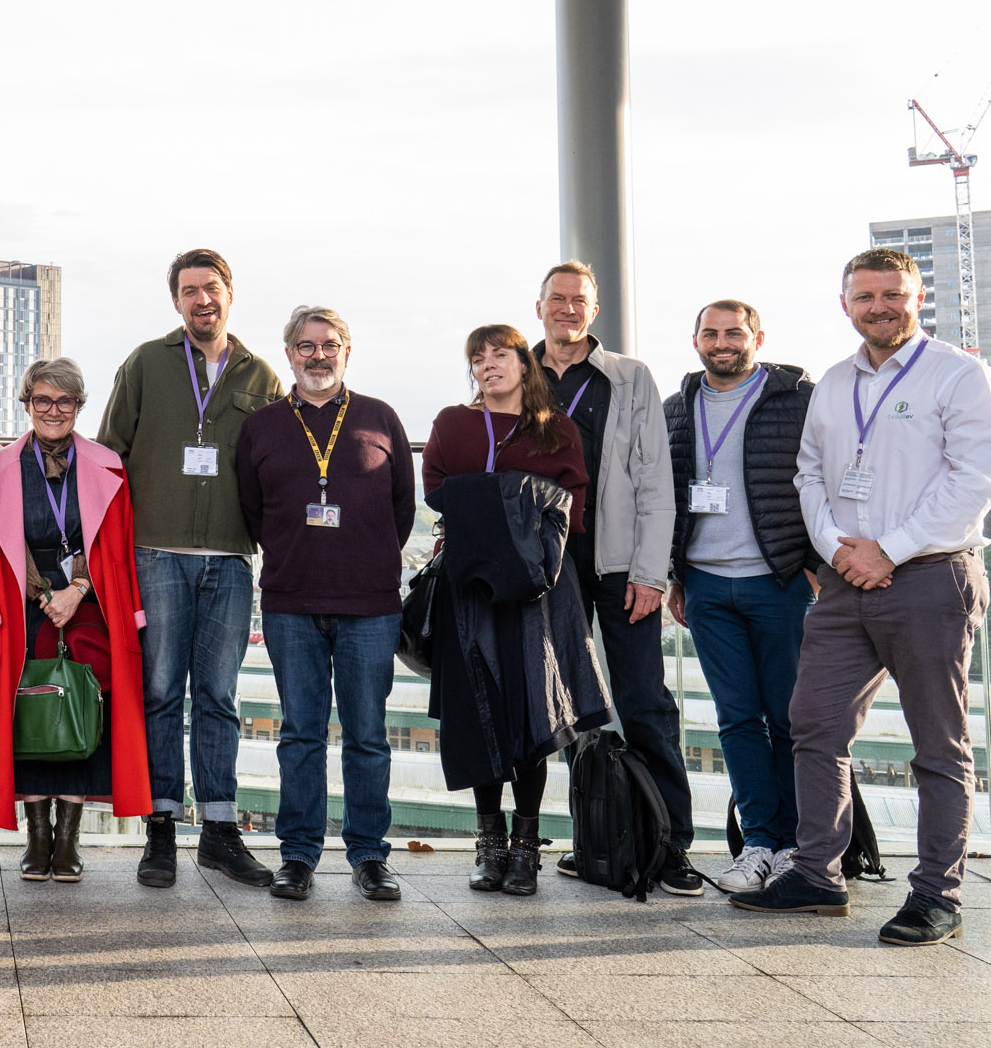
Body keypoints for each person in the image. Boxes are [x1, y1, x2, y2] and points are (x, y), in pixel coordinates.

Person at [733, 248, 991, 946]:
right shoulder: (833, 383)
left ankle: (936, 895)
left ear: (916, 297)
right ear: (846, 303)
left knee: (937, 744)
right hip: (843, 581)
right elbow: (809, 475)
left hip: (930, 577)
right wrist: (838, 551)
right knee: (814, 724)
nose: (880, 305)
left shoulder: (962, 374)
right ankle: (818, 873)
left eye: (893, 293)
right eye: (866, 295)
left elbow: (976, 480)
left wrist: (889, 548)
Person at [98, 248, 284, 889]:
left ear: (230, 293)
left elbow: (276, 473)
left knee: (220, 699)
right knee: (158, 695)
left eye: (211, 288)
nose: (201, 300)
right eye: (188, 291)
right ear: (175, 301)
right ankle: (159, 834)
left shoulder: (260, 376)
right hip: (156, 554)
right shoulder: (146, 363)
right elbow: (108, 456)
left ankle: (221, 835)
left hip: (231, 560)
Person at [422, 325, 611, 897]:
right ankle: (490, 844)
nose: (489, 366)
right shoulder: (453, 422)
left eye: (500, 355)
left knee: (534, 712)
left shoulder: (556, 431)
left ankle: (526, 848)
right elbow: (434, 487)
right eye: (478, 358)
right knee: (480, 711)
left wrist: (487, 496)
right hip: (470, 586)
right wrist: (517, 495)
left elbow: (571, 504)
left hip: (539, 590)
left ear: (524, 365)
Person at [236, 307, 414, 902]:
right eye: (306, 346)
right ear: (288, 354)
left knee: (367, 736)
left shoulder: (380, 417)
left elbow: (403, 509)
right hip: (290, 602)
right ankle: (298, 855)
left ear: (346, 351)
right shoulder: (261, 427)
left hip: (370, 605)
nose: (318, 355)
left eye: (329, 345)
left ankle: (368, 855)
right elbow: (253, 512)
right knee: (301, 736)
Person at [532, 261, 696, 894]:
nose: (568, 308)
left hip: (621, 564)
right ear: (539, 306)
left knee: (643, 701)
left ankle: (672, 844)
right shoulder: (521, 371)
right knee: (568, 706)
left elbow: (656, 483)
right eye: (557, 299)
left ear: (592, 310)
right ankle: (596, 842)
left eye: (579, 300)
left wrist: (653, 573)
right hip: (548, 565)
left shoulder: (629, 377)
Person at [0, 358, 150, 883]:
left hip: (89, 603)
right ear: (26, 403)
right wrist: (36, 594)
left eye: (65, 401)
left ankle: (68, 841)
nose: (54, 411)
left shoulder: (107, 464)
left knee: (82, 705)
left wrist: (75, 590)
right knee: (27, 711)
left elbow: (116, 545)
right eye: (43, 401)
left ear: (79, 406)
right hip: (20, 603)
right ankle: (38, 839)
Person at [661, 300, 817, 893]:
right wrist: (676, 573)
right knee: (736, 721)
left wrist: (814, 566)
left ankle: (799, 847)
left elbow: (823, 482)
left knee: (789, 719)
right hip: (704, 586)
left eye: (734, 332)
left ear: (757, 336)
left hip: (779, 583)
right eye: (711, 333)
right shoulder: (679, 408)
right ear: (695, 339)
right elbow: (670, 495)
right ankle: (758, 842)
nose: (722, 342)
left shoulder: (798, 401)